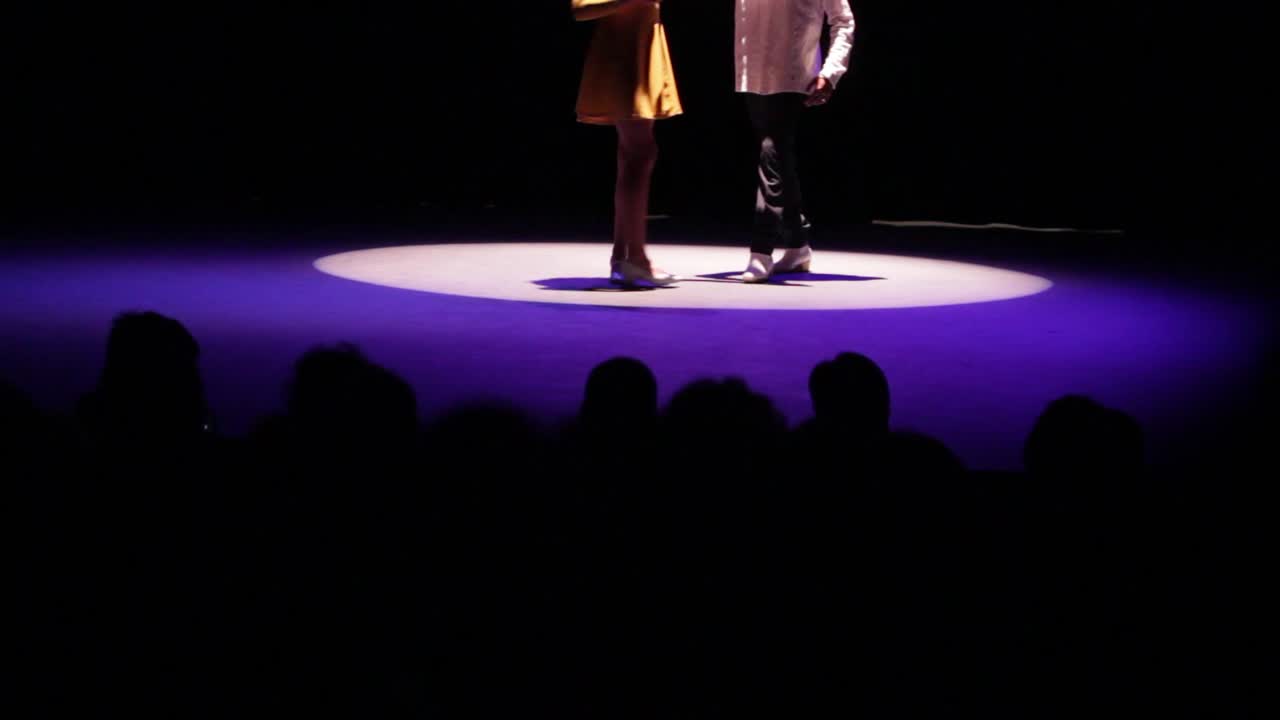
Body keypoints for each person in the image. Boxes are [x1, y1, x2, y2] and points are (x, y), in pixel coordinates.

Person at [735, 0, 855, 283]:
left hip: (793, 72)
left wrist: (830, 72)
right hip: (752, 71)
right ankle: (797, 244)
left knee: (772, 152)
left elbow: (843, 20)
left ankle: (761, 249)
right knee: (778, 159)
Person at [573, 0, 682, 286]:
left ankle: (623, 256)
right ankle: (635, 258)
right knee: (639, 154)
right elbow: (581, 8)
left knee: (635, 154)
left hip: (640, 48)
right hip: (625, 55)